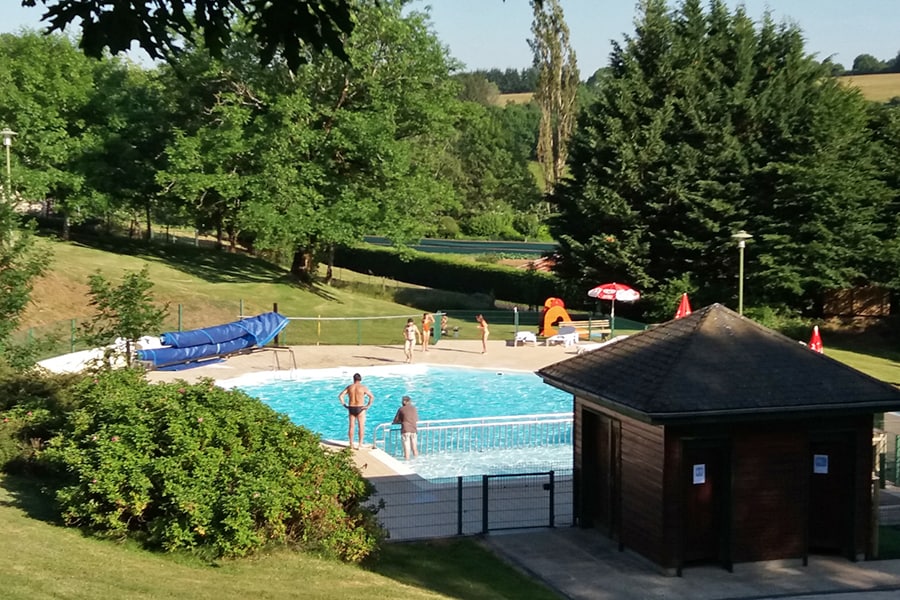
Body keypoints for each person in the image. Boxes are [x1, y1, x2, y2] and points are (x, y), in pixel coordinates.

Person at [338, 373, 373, 450]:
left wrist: (344, 405)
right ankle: (360, 444)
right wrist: (367, 406)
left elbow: (340, 396)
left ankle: (351, 444)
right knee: (361, 427)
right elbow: (371, 396)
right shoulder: (363, 387)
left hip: (351, 407)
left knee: (351, 426)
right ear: (360, 379)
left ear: (353, 379)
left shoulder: (350, 387)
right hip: (360, 407)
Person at [392, 395, 419, 460]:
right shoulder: (414, 408)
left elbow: (395, 420)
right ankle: (416, 460)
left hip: (405, 429)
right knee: (414, 448)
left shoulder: (401, 409)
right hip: (413, 429)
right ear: (410, 401)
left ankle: (407, 462)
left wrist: (400, 421)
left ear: (404, 402)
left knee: (407, 448)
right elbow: (416, 418)